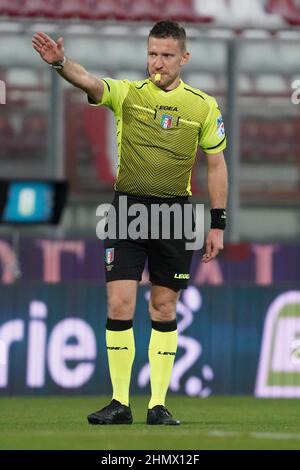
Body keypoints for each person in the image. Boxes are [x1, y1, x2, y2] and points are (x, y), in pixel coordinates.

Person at [32, 20, 228, 426]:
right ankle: (119, 402)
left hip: (175, 213)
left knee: (163, 306)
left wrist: (217, 223)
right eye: (153, 53)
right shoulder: (128, 94)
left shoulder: (204, 106)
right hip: (127, 211)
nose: (158, 62)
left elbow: (216, 163)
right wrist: (60, 63)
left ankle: (158, 404)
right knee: (120, 302)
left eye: (167, 55)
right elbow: (88, 81)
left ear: (184, 58)